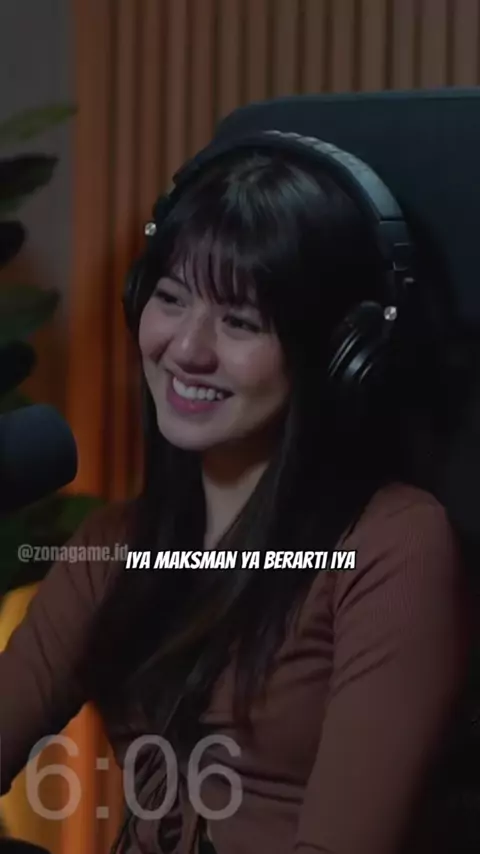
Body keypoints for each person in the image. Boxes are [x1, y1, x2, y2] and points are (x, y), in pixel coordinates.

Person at [0, 138, 470, 854]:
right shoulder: (113, 546)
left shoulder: (392, 545)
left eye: (240, 321)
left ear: (337, 354)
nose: (187, 349)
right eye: (171, 298)